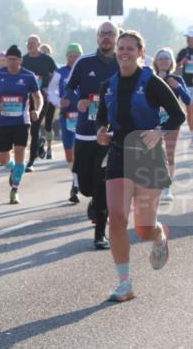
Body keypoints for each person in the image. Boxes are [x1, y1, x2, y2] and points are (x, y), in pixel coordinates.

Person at [96, 31, 185, 302]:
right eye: (121, 48)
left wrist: (159, 131)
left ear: (140, 53)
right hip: (120, 153)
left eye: (130, 48)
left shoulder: (152, 82)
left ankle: (159, 235)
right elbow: (102, 120)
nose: (124, 52)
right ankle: (125, 283)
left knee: (143, 228)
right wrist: (101, 132)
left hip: (147, 155)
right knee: (117, 218)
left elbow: (178, 114)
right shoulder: (108, 85)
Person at [65, 22, 120, 250]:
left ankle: (100, 233)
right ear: (97, 38)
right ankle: (95, 202)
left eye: (110, 34)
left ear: (117, 37)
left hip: (110, 135)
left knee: (102, 183)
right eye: (102, 34)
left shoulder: (124, 64)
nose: (106, 37)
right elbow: (69, 88)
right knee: (86, 186)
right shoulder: (84, 62)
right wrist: (79, 100)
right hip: (86, 133)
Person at [0, 45, 42, 204]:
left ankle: (15, 190)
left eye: (14, 60)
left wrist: (37, 110)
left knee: (19, 154)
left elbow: (38, 97)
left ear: (20, 61)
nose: (10, 62)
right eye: (8, 59)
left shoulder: (28, 76)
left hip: (21, 122)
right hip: (2, 122)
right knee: (3, 160)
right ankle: (13, 169)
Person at [151, 47, 192, 202]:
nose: (163, 61)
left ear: (171, 62)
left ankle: (167, 188)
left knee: (169, 154)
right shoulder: (150, 78)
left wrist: (178, 87)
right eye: (160, 58)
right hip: (153, 121)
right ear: (156, 62)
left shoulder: (177, 79)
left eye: (166, 59)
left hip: (171, 121)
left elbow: (188, 101)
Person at [48, 43, 84, 202]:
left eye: (76, 56)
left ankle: (75, 184)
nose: (73, 59)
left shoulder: (85, 70)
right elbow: (50, 91)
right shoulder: (61, 72)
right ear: (67, 57)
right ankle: (76, 177)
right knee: (69, 156)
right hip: (66, 116)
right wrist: (58, 101)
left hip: (83, 116)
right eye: (71, 56)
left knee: (78, 151)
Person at [21, 34, 59, 169]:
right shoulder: (23, 60)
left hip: (41, 98)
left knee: (35, 127)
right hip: (25, 99)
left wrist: (51, 88)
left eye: (33, 43)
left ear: (38, 44)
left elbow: (57, 74)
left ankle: (31, 161)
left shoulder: (47, 59)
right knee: (27, 128)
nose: (30, 45)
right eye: (28, 43)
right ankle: (40, 143)